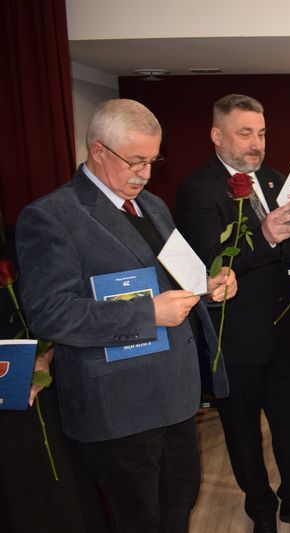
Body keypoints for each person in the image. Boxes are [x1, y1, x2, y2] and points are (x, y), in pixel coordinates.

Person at [14, 99, 238, 533]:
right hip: (118, 407)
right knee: (140, 519)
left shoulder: (152, 205)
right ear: (98, 151)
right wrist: (147, 313)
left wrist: (209, 287)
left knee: (179, 504)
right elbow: (50, 314)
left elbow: (176, 280)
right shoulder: (50, 217)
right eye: (135, 161)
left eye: (153, 161)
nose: (145, 173)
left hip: (175, 394)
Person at [175, 94, 290, 533]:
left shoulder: (275, 181)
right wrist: (265, 234)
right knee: (243, 434)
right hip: (235, 338)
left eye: (262, 133)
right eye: (245, 133)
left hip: (285, 331)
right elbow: (211, 260)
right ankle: (261, 510)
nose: (257, 143)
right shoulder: (197, 189)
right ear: (217, 136)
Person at [0, 208, 111, 533]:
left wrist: (45, 355)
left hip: (35, 387)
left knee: (55, 483)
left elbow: (54, 308)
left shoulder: (21, 239)